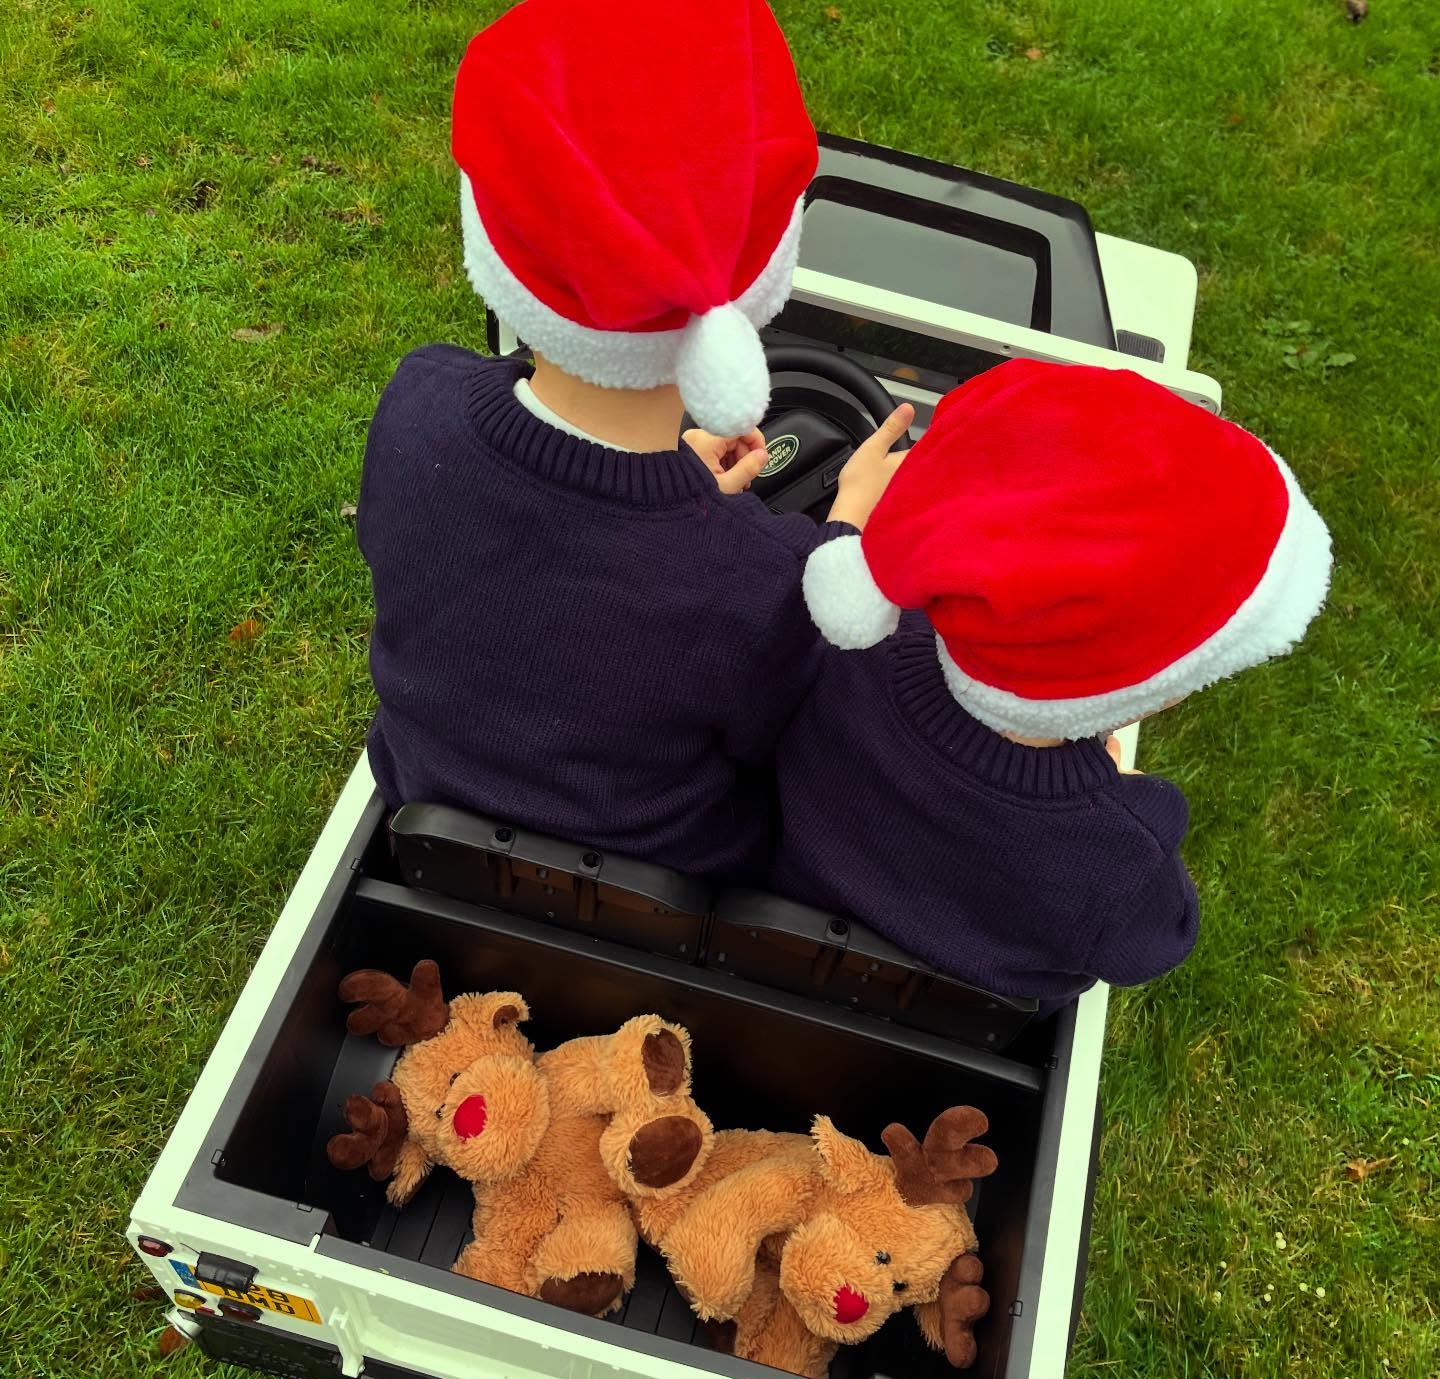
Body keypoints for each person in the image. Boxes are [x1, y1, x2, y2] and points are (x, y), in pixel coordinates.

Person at [356, 0, 911, 878]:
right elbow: (807, 718)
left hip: (430, 830)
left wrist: (675, 511)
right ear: (759, 283)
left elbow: (556, 579)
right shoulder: (761, 582)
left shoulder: (416, 406)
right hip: (671, 908)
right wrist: (844, 535)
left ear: (493, 242)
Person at [774, 359, 1333, 1011]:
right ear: (1155, 687)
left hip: (776, 961)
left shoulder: (851, 662)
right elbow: (1158, 941)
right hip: (955, 1045)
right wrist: (1116, 790)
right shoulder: (1121, 849)